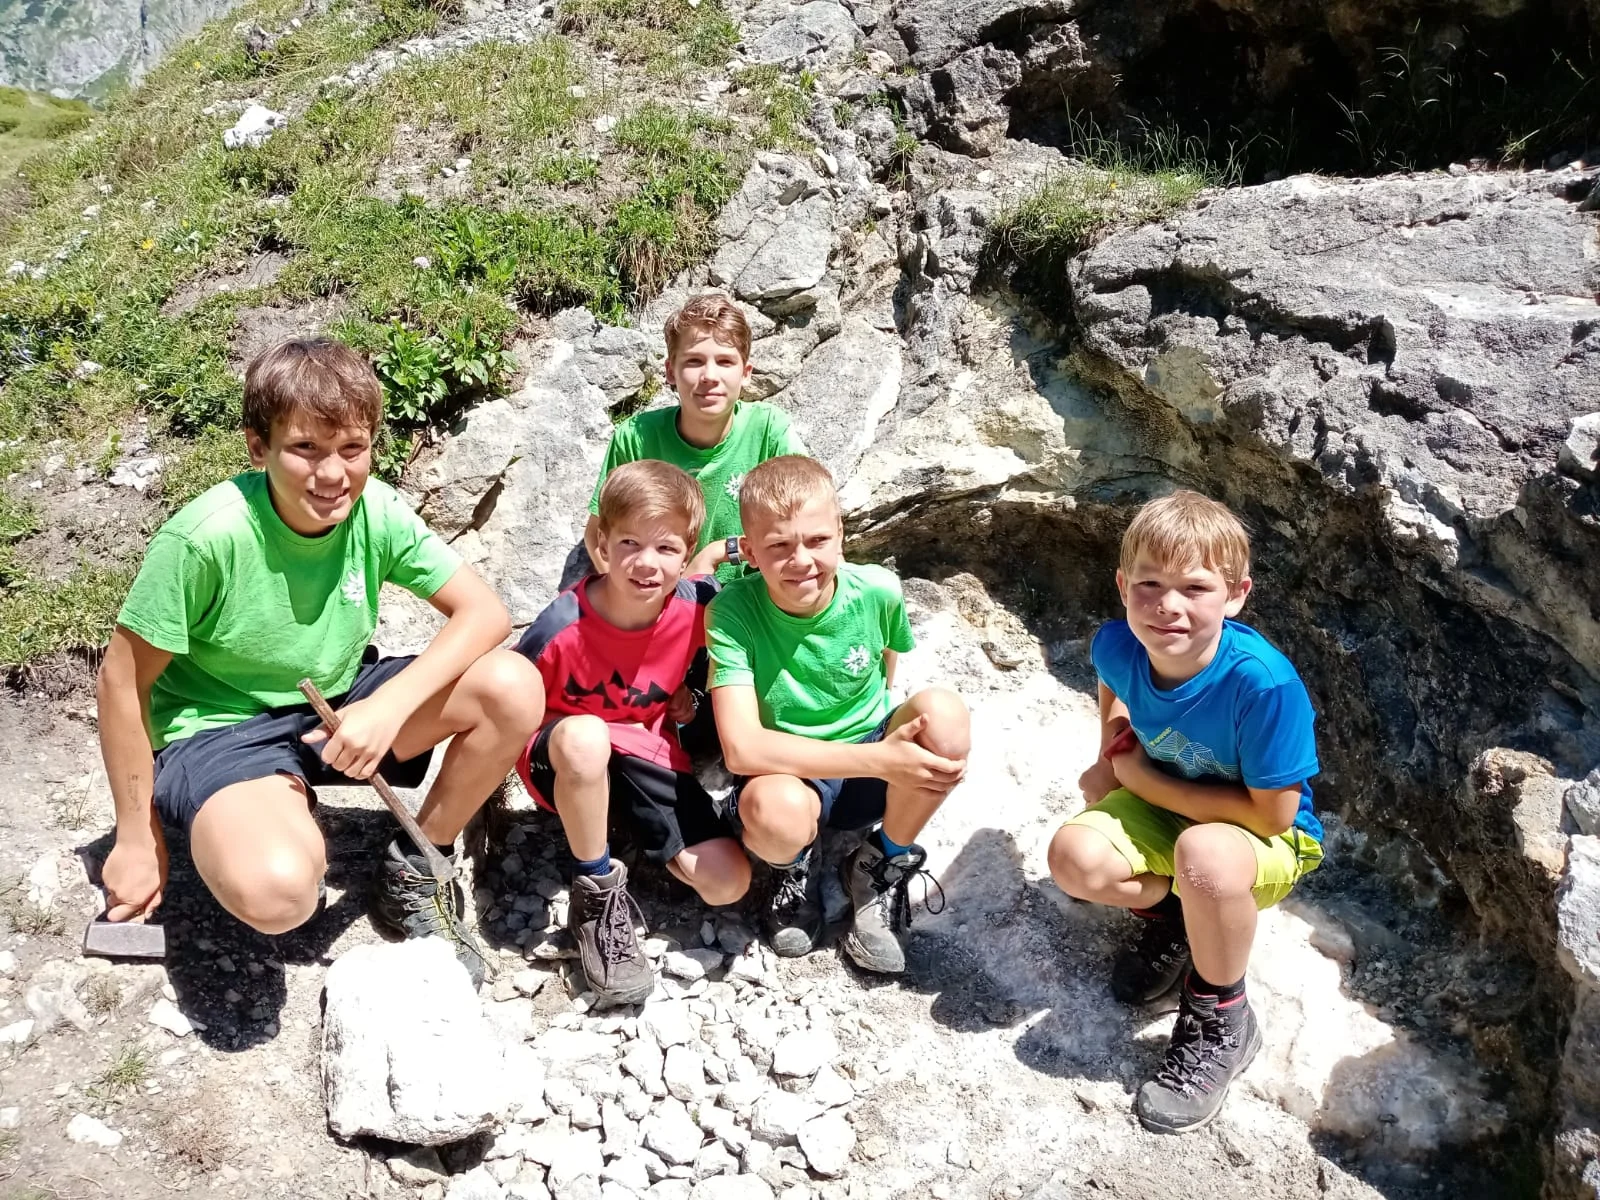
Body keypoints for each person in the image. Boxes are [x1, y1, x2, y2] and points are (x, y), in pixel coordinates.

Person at [95, 338, 543, 986]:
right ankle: (260, 807)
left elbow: (485, 615)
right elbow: (120, 682)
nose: (332, 475)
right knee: (281, 892)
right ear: (259, 447)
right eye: (305, 449)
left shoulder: (376, 511)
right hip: (221, 729)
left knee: (512, 686)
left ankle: (419, 861)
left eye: (352, 450)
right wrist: (136, 837)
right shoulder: (206, 538)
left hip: (338, 701)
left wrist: (386, 709)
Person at [1046, 490, 1324, 1134]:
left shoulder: (1263, 684)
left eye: (1195, 588)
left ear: (1235, 595)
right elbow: (1111, 678)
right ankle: (1185, 920)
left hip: (1261, 838)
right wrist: (1111, 746)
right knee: (1074, 858)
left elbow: (1275, 816)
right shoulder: (1121, 644)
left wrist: (1137, 776)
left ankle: (1222, 1014)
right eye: (1149, 583)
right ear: (1122, 585)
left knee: (1205, 856)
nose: (1168, 605)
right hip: (1171, 808)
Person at [705, 455, 969, 974]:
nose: (801, 560)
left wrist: (881, 757)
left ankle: (880, 861)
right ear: (752, 551)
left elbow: (886, 670)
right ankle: (792, 864)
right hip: (789, 770)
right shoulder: (731, 613)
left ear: (840, 534)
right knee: (775, 809)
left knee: (946, 716)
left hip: (870, 756)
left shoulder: (877, 591)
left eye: (817, 541)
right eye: (778, 546)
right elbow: (741, 748)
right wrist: (884, 764)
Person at [515, 460, 751, 1005]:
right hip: (566, 756)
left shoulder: (696, 610)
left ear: (686, 553)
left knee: (727, 882)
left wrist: (731, 550)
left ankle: (626, 829)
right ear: (601, 544)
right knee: (586, 737)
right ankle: (595, 893)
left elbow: (724, 586)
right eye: (629, 543)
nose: (647, 564)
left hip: (647, 757)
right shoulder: (561, 626)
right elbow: (514, 701)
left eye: (666, 549)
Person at [583, 292, 805, 586]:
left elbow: (809, 523)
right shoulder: (636, 439)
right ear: (670, 371)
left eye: (725, 361)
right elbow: (598, 537)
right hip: (662, 600)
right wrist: (635, 599)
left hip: (753, 602)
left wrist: (720, 552)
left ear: (746, 373)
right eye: (694, 361)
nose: (709, 376)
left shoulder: (768, 432)